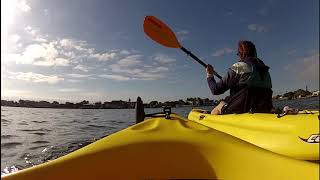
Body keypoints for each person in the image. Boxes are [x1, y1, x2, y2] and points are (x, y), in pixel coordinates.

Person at [206, 40, 273, 114]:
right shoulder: (265, 70)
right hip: (265, 107)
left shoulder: (239, 67)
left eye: (238, 54)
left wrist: (210, 75)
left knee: (220, 105)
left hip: (242, 109)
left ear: (241, 53)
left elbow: (215, 90)